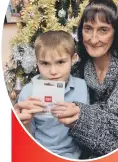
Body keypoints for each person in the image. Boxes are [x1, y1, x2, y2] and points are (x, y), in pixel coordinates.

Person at [50, 0, 118, 159]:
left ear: (116, 34)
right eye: (88, 28)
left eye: (103, 30)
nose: (93, 39)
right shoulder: (77, 70)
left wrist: (82, 118)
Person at [17, 31, 89, 159]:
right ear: (37, 63)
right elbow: (26, 139)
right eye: (45, 63)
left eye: (60, 62)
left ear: (73, 59)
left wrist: (79, 120)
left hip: (72, 156)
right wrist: (23, 123)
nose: (53, 71)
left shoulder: (82, 87)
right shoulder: (28, 93)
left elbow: (88, 132)